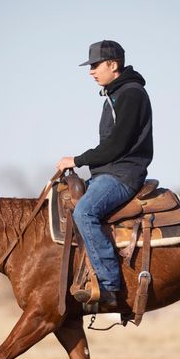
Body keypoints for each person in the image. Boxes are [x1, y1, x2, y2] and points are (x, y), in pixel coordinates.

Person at [56, 40, 153, 308]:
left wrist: (77, 159)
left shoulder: (131, 94)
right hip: (110, 172)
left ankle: (110, 286)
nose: (91, 71)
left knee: (84, 212)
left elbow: (116, 146)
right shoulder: (115, 94)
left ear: (113, 64)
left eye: (95, 65)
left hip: (123, 175)